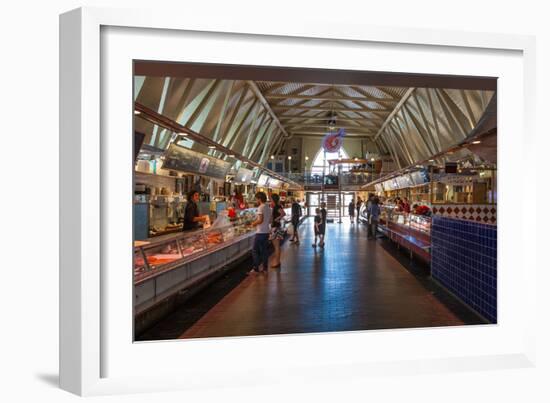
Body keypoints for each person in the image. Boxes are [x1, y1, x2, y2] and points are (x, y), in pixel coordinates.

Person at [249, 191, 272, 274]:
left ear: (259, 199)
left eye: (256, 199)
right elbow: (270, 220)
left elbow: (260, 220)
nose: (256, 201)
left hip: (260, 232)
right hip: (266, 231)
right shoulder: (268, 207)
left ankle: (256, 268)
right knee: (264, 251)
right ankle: (265, 268)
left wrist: (253, 224)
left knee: (255, 250)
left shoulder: (260, 208)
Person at [269, 194, 286, 268]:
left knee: (276, 246)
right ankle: (277, 261)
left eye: (271, 199)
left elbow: (283, 213)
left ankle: (277, 262)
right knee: (277, 246)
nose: (270, 200)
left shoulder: (277, 206)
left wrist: (277, 219)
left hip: (276, 227)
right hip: (277, 227)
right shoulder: (276, 206)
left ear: (273, 199)